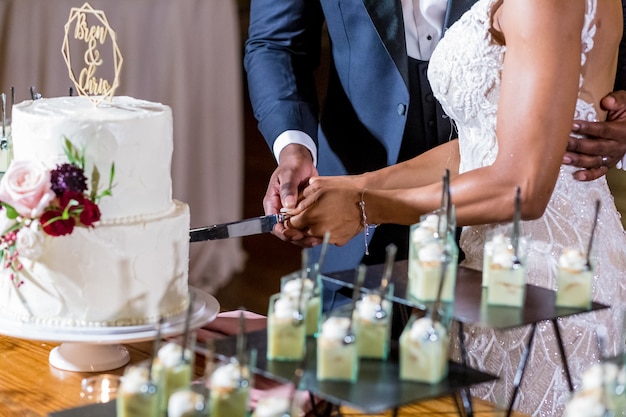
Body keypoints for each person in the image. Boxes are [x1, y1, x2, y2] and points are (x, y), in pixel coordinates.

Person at [282, 0, 626, 415]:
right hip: (484, 268)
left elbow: (524, 188)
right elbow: (481, 147)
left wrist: (365, 206)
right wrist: (355, 185)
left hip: (542, 279)